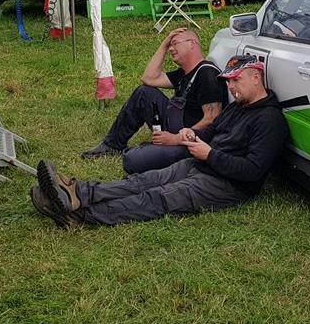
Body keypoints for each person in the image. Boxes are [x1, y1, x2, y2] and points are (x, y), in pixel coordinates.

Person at [32, 55, 288, 228]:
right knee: (143, 181)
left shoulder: (270, 120)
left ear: (256, 77)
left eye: (236, 80)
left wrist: (210, 155)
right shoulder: (239, 106)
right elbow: (213, 130)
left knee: (157, 198)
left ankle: (76, 215)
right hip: (202, 164)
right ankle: (78, 193)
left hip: (229, 184)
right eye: (229, 81)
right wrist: (193, 135)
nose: (231, 87)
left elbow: (253, 171)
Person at [81, 27, 226, 174]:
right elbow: (149, 79)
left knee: (131, 159)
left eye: (175, 43)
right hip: (174, 128)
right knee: (144, 93)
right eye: (170, 45)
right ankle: (112, 145)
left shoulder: (207, 74)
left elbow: (212, 119)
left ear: (192, 43)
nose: (171, 49)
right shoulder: (184, 73)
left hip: (191, 142)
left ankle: (153, 150)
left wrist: (176, 139)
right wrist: (163, 45)